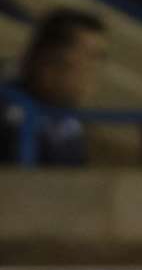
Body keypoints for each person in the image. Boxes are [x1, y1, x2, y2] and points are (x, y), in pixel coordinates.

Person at [1, 9, 106, 166]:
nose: (92, 69)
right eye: (89, 56)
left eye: (98, 58)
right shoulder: (8, 110)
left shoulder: (70, 122)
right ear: (47, 59)